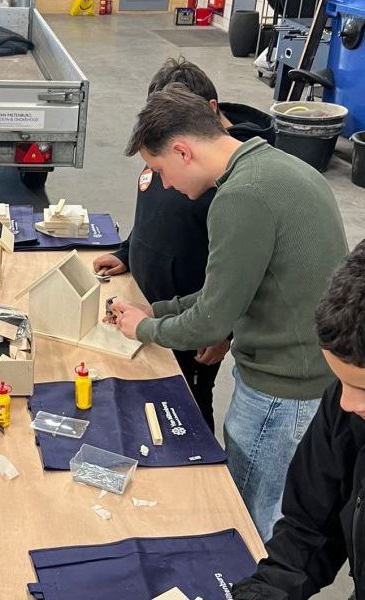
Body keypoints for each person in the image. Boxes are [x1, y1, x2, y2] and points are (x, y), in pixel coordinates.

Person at [111, 83, 348, 542]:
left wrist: (145, 327)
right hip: (307, 381)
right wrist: (153, 309)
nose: (163, 185)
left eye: (159, 170)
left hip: (281, 393)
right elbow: (225, 291)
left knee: (250, 525)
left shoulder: (241, 197)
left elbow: (213, 321)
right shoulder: (278, 167)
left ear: (182, 151)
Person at [93, 57, 276, 432]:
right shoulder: (171, 152)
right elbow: (155, 216)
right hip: (153, 308)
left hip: (194, 327)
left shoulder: (230, 185)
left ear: (204, 115)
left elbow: (247, 272)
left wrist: (223, 332)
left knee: (188, 409)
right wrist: (127, 252)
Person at [232, 240, 365, 600]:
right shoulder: (346, 405)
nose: (348, 402)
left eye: (364, 388)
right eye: (342, 381)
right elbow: (309, 529)